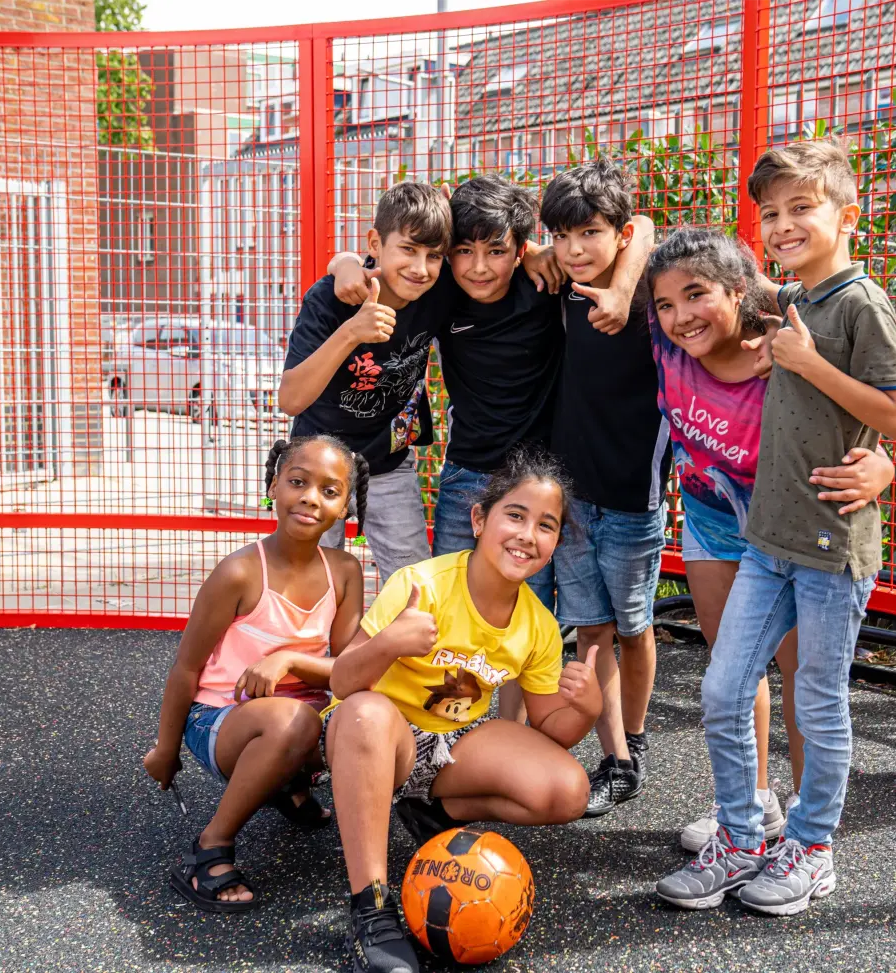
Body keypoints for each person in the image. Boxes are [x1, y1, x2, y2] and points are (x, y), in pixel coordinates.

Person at [655, 139, 896, 916]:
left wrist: (809, 367)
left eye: (802, 207)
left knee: (819, 698)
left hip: (833, 549)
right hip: (767, 542)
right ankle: (741, 835)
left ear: (847, 215)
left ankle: (812, 846)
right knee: (723, 688)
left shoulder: (860, 302)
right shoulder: (786, 299)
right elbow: (708, 284)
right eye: (770, 213)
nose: (783, 223)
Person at [320, 450, 600, 973]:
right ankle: (372, 909)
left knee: (569, 790)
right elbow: (341, 682)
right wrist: (390, 644)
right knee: (367, 716)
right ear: (479, 520)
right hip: (372, 736)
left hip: (449, 742)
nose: (527, 534)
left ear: (555, 542)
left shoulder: (538, 624)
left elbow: (551, 730)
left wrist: (587, 707)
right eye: (514, 515)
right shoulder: (419, 586)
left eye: (546, 525)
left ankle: (434, 813)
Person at [327, 174, 650, 611]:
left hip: (532, 481)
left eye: (496, 252)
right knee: (447, 604)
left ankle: (513, 682)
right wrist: (345, 262)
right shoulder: (441, 290)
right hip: (466, 474)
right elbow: (371, 261)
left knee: (524, 610)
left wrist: (611, 284)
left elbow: (643, 228)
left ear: (518, 252)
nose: (479, 268)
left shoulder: (548, 285)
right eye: (463, 252)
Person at [142, 435, 368, 913]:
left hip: (297, 715)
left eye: (330, 491)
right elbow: (187, 667)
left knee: (367, 713)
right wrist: (166, 750)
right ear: (273, 486)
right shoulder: (240, 573)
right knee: (297, 721)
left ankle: (286, 785)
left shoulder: (345, 570)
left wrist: (289, 661)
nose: (310, 497)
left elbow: (347, 671)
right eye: (298, 482)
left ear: (347, 505)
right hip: (221, 719)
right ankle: (210, 847)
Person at [539, 159, 666, 816]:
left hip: (633, 497)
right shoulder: (559, 284)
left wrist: (631, 258)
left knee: (635, 626)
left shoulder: (653, 292)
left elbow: (651, 229)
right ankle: (615, 757)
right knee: (591, 628)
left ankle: (636, 741)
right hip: (571, 494)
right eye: (563, 235)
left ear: (618, 234)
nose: (574, 248)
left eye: (589, 232)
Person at [278, 181, 451, 583]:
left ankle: (399, 648)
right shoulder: (329, 299)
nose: (420, 268)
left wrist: (534, 254)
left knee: (413, 582)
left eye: (433, 255)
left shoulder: (438, 292)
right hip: (317, 462)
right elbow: (291, 399)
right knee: (307, 580)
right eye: (407, 250)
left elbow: (487, 252)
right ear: (375, 242)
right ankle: (312, 648)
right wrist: (351, 332)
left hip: (388, 461)